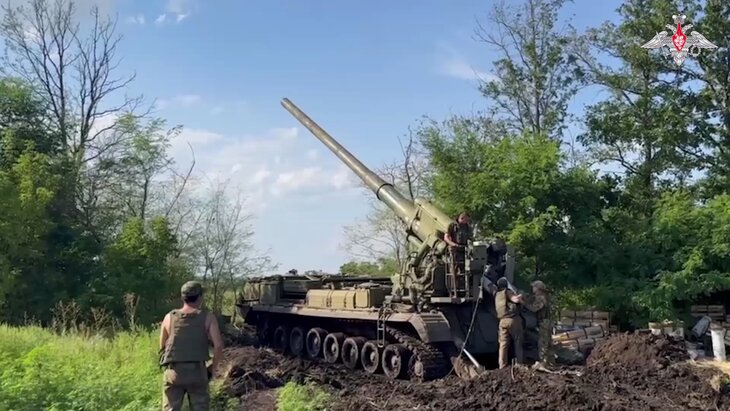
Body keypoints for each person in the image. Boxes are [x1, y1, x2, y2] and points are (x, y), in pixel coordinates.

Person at [159, 281, 224, 411]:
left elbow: (162, 347)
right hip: (197, 372)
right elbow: (218, 346)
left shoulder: (169, 317)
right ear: (200, 297)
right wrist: (212, 369)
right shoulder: (208, 318)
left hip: (174, 371)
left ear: (182, 297)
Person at [494, 277, 524, 369]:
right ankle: (519, 363)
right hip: (512, 319)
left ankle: (502, 365)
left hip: (502, 321)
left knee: (503, 344)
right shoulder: (507, 292)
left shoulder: (497, 295)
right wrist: (520, 296)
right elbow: (516, 300)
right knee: (518, 342)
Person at [523, 280, 554, 365]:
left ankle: (544, 363)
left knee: (543, 343)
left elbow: (534, 308)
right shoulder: (545, 296)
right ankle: (551, 362)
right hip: (547, 322)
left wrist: (523, 303)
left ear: (538, 288)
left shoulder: (541, 298)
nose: (533, 288)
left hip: (544, 322)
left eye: (534, 287)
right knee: (548, 343)